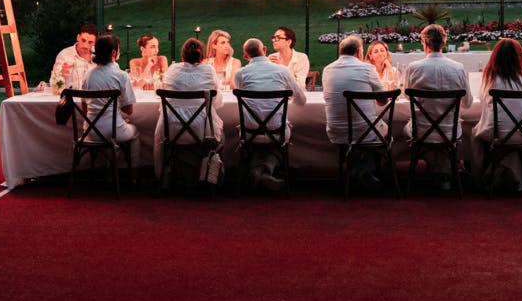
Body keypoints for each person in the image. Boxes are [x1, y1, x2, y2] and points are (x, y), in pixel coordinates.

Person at [403, 23, 473, 190]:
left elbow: (406, 95)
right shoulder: (458, 68)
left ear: (424, 43)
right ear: (444, 42)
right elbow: (468, 103)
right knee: (449, 135)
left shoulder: (413, 68)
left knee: (405, 129)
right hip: (450, 131)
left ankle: (438, 169)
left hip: (421, 131)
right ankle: (445, 170)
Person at [234, 37, 307, 191]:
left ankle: (258, 171)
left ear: (246, 56)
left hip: (249, 132)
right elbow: (301, 100)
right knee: (277, 137)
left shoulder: (240, 74)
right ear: (265, 50)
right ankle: (263, 172)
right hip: (277, 131)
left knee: (260, 138)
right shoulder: (282, 70)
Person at [472, 38, 522, 192]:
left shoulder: (490, 76)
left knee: (475, 134)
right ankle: (514, 175)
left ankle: (480, 179)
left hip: (499, 135)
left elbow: (483, 99)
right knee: (512, 134)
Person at [322, 35, 388, 187]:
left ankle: (358, 170)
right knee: (381, 129)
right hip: (365, 132)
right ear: (359, 52)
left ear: (340, 52)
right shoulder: (368, 69)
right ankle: (374, 170)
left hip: (336, 132)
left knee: (360, 132)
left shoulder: (327, 70)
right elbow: (383, 101)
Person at [153, 38, 223, 179]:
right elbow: (216, 102)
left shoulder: (173, 69)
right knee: (221, 137)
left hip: (171, 130)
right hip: (202, 131)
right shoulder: (208, 70)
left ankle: (163, 177)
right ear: (202, 57)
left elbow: (161, 90)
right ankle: (211, 177)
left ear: (182, 56)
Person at [80, 34, 140, 171]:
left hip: (90, 131)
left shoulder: (88, 75)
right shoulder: (121, 76)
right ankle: (133, 173)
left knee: (115, 128)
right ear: (114, 52)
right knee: (135, 132)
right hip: (114, 131)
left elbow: (84, 108)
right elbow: (129, 111)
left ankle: (109, 171)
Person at [49, 23, 97, 89]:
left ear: (95, 43)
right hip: (70, 98)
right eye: (83, 40)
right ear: (78, 37)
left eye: (90, 42)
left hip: (92, 98)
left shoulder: (98, 58)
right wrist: (60, 75)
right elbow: (54, 86)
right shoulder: (64, 55)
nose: (85, 45)